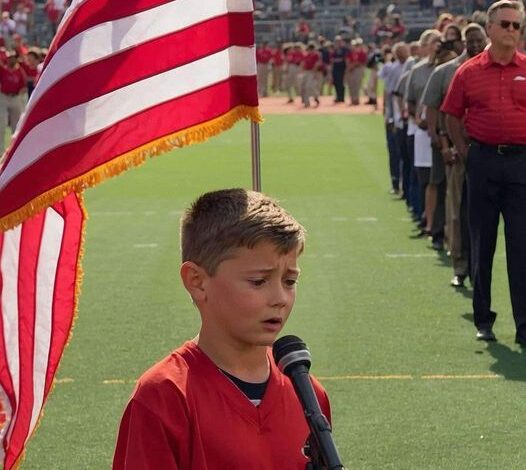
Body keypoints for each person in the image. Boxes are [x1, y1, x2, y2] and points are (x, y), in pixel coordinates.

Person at [113, 189, 332, 468]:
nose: (280, 298)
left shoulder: (310, 396)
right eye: (258, 281)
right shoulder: (165, 395)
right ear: (197, 281)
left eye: (289, 281)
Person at [442, 0, 526, 346]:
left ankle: (524, 325)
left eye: (516, 25)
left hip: (521, 164)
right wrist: (467, 154)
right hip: (484, 163)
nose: (511, 31)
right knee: (482, 243)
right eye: (505, 24)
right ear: (489, 28)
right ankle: (483, 319)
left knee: (521, 246)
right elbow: (451, 115)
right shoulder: (468, 71)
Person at [422, 23, 487, 288]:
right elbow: (436, 111)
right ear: (462, 42)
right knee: (458, 210)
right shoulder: (448, 72)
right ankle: (460, 266)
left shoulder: (493, 69)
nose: (473, 46)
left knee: (487, 215)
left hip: (490, 151)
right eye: (469, 41)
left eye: (478, 40)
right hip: (460, 151)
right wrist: (445, 145)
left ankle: (481, 269)